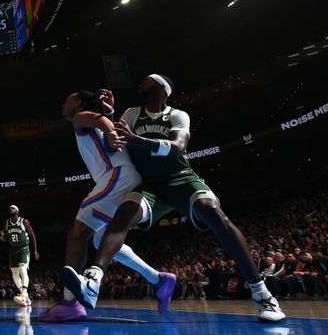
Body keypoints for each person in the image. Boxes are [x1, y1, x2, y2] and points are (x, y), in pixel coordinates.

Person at [61, 74, 285, 323]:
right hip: (150, 186)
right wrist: (111, 116)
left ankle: (261, 292)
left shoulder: (178, 115)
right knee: (124, 213)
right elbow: (117, 142)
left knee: (213, 212)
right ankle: (93, 278)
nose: (140, 83)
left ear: (162, 88)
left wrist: (137, 139)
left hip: (178, 177)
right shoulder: (133, 113)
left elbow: (178, 147)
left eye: (146, 81)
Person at [41, 90, 174, 322]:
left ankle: (71, 302)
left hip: (115, 177)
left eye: (67, 99)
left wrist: (109, 127)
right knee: (100, 240)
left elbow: (96, 119)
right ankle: (158, 279)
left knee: (78, 233)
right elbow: (102, 121)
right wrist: (110, 118)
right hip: (123, 178)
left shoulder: (81, 116)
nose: (63, 104)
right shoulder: (95, 120)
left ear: (80, 103)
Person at [0, 205, 39, 307]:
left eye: (13, 208)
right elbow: (5, 238)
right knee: (14, 274)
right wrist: (1, 237)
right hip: (13, 251)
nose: (11, 209)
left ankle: (24, 294)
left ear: (17, 211)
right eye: (10, 208)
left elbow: (32, 235)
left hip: (24, 249)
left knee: (23, 269)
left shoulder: (24, 221)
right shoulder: (6, 223)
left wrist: (35, 251)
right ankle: (26, 298)